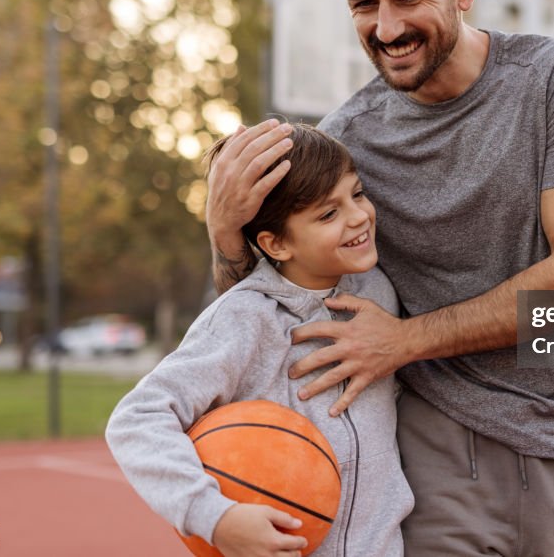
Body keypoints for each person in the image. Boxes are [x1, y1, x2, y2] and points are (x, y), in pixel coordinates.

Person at [206, 0, 554, 556]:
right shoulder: (347, 140)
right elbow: (277, 309)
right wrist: (225, 235)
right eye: (364, 4)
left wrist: (404, 340)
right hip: (437, 453)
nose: (387, 28)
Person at [106, 124, 414, 557]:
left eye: (357, 194)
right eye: (328, 214)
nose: (359, 215)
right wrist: (215, 516)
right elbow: (136, 418)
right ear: (276, 243)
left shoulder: (377, 288)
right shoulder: (245, 316)